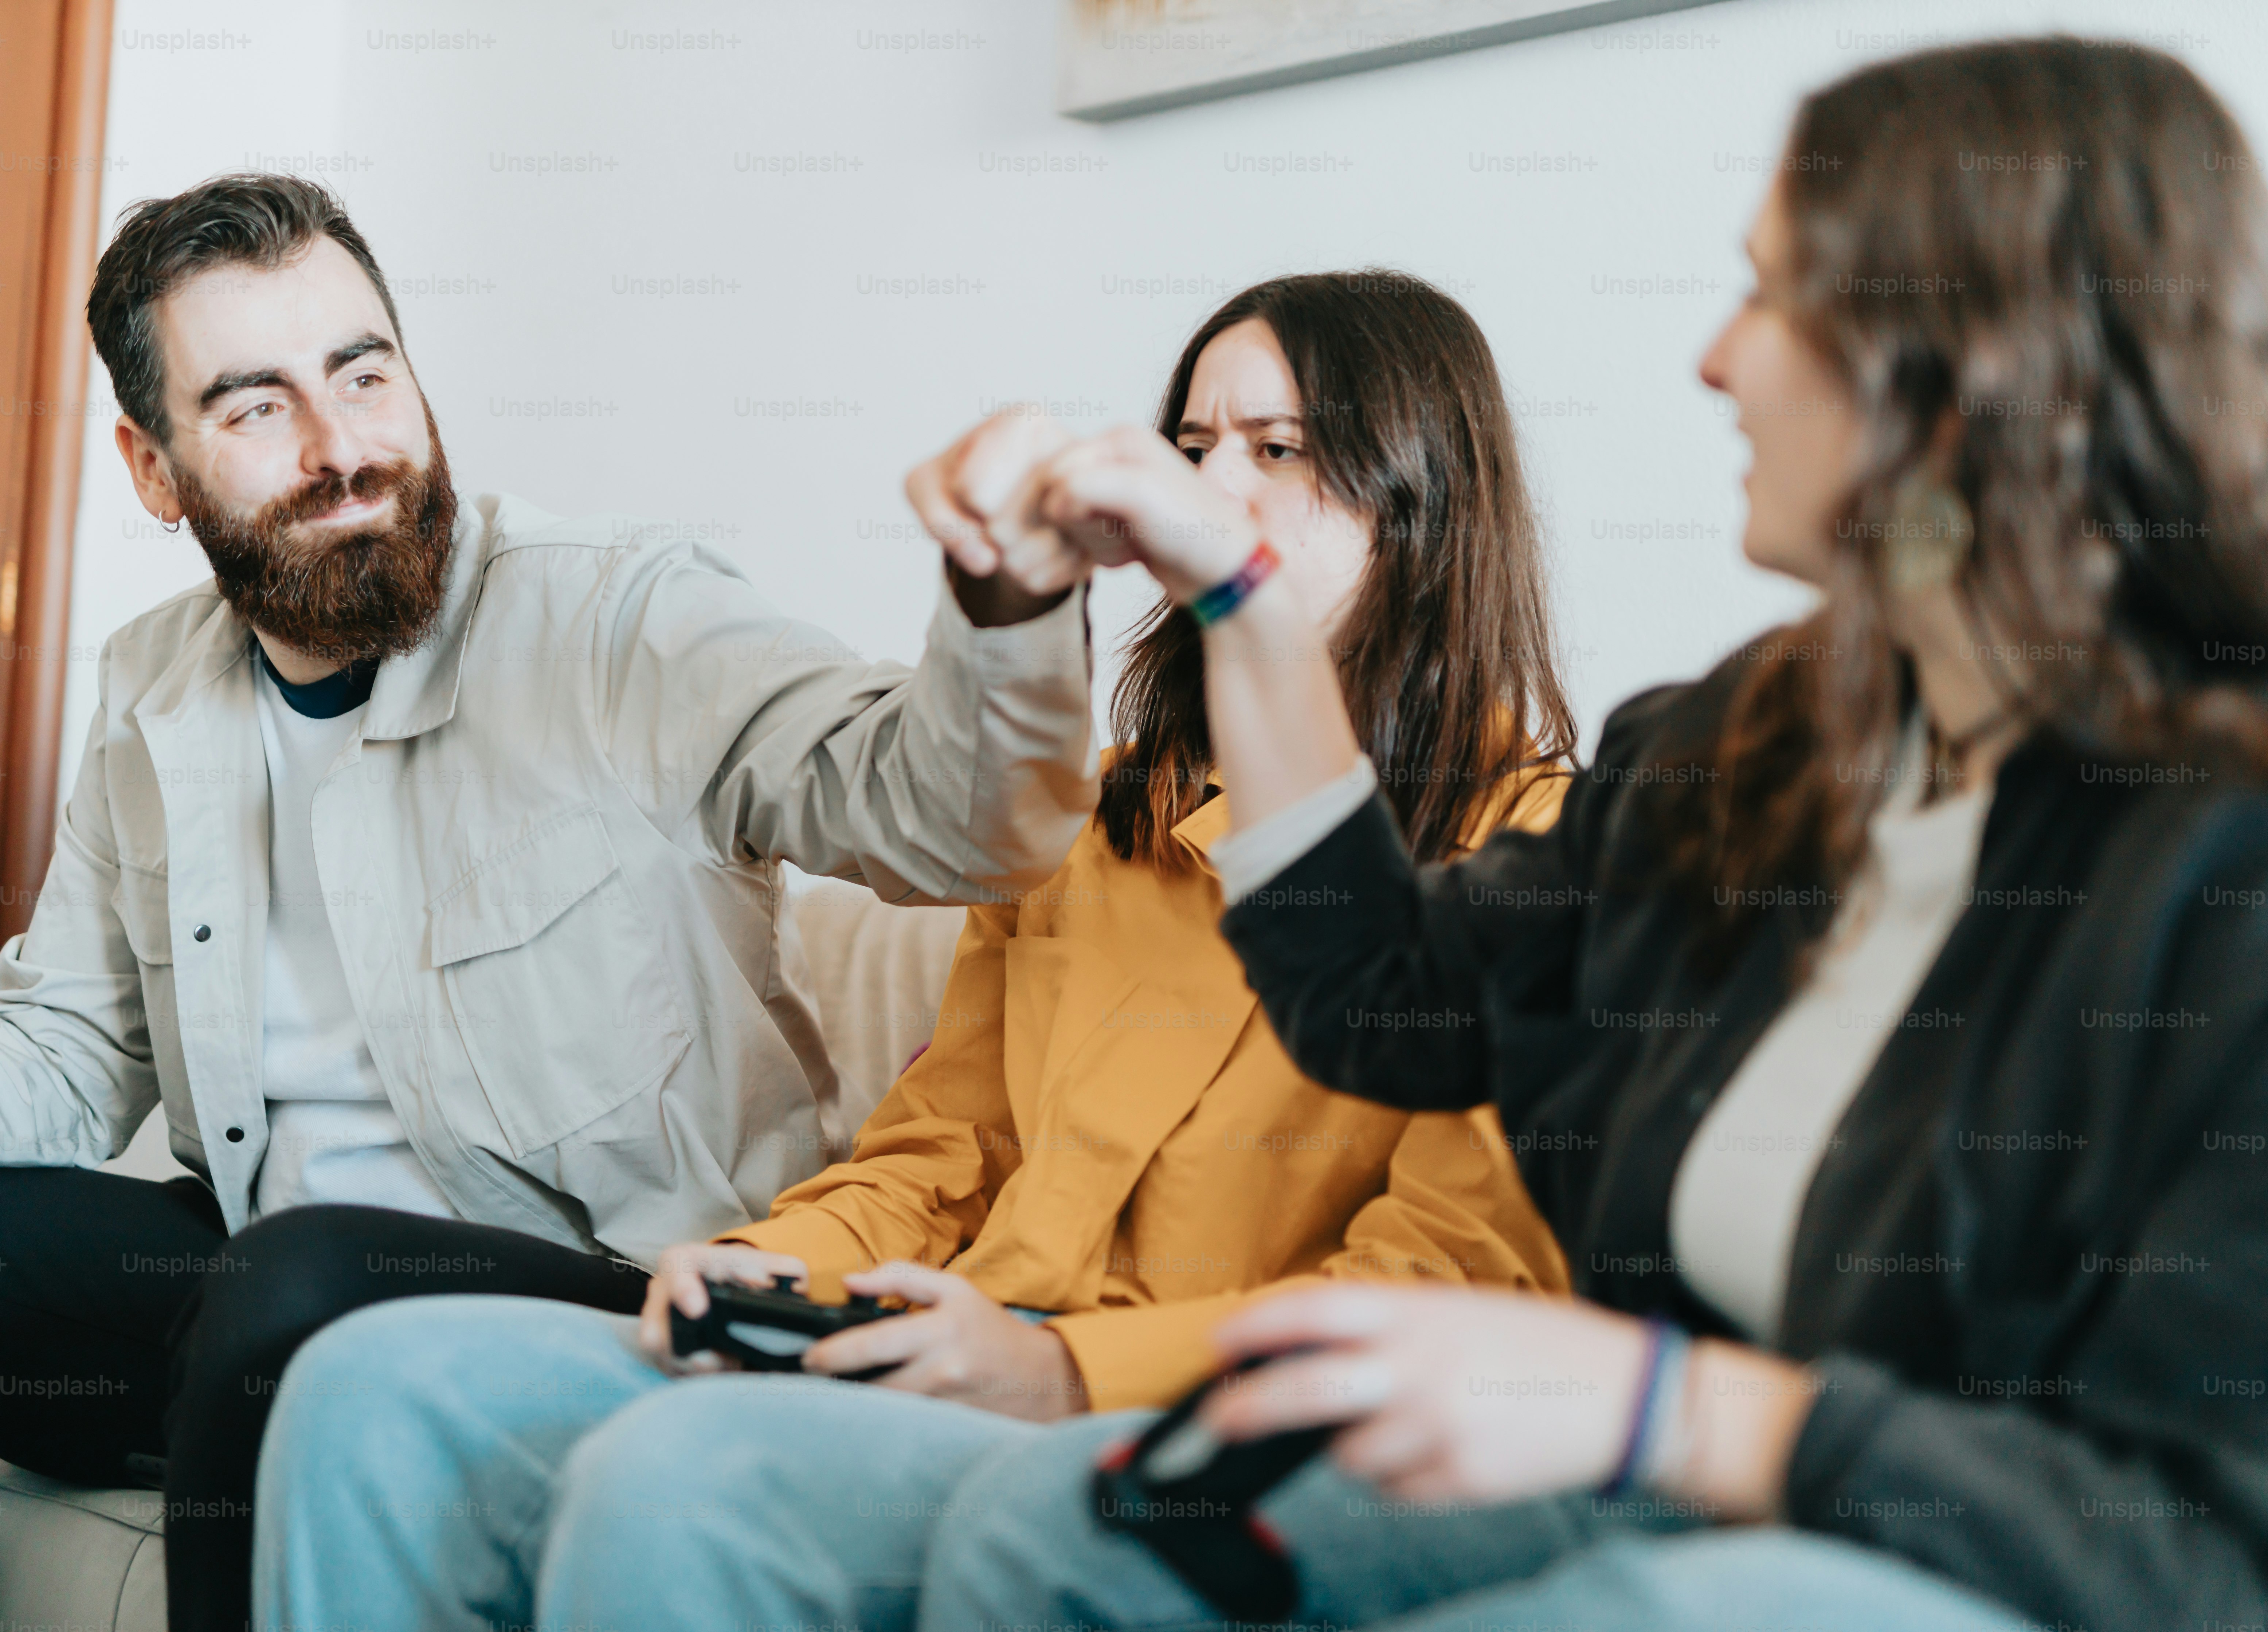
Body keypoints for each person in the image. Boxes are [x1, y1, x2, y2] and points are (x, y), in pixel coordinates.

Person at [910, 35, 2268, 1632]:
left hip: (2002, 1561)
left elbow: (2196, 1545)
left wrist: (1662, 1407)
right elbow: (1381, 994)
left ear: (1965, 354)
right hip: (1687, 1485)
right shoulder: (1735, 748)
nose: (1714, 358)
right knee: (1066, 1538)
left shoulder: (2216, 852)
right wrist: (1243, 602)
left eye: (1774, 294)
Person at [0, 172, 1102, 1631]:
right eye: (253, 407)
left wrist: (1011, 607)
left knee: (294, 1282)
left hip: (623, 1296)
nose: (342, 447)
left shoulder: (623, 618)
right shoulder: (151, 691)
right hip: (257, 1284)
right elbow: (62, 1053)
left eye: (363, 374)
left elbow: (963, 825)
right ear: (153, 466)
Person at [252, 270, 1579, 1629]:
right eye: (1188, 449)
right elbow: (944, 1154)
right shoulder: (1099, 811)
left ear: (1422, 502)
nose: (1203, 490)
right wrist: (780, 1260)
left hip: (1163, 1425)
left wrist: (1065, 1373)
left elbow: (1450, 1286)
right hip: (932, 1352)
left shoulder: (1535, 861)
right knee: (377, 1388)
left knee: (682, 1478)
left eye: (1278, 449)